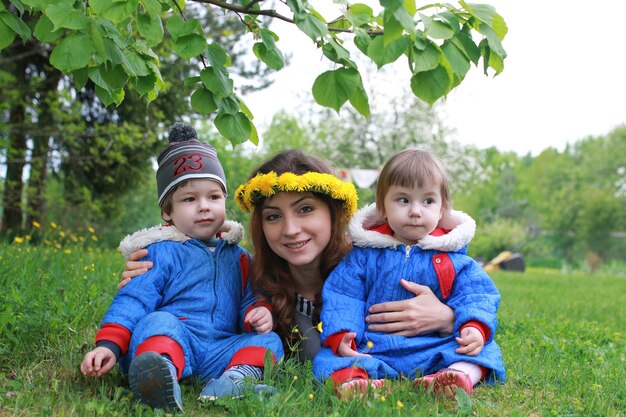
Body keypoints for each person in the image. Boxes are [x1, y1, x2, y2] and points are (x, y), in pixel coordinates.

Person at [120, 150, 458, 363]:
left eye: (306, 209)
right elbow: (192, 293)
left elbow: (471, 299)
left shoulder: (377, 266)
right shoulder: (248, 277)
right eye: (273, 216)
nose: (291, 229)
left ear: (333, 213)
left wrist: (446, 318)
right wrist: (148, 275)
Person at [80, 123, 283, 412]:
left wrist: (256, 313)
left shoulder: (239, 257)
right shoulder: (160, 253)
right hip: (175, 339)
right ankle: (160, 374)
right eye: (189, 199)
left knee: (269, 341)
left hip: (218, 349)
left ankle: (233, 380)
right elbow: (134, 299)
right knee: (158, 321)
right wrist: (109, 345)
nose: (204, 206)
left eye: (213, 197)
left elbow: (249, 299)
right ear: (167, 212)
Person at [312, 148, 506, 398]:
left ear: (442, 208)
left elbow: (477, 294)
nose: (416, 211)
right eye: (403, 200)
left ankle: (455, 377)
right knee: (329, 357)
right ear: (382, 207)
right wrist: (343, 334)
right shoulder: (363, 256)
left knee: (483, 350)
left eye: (427, 201)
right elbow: (343, 295)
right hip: (373, 345)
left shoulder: (452, 258)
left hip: (433, 345)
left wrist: (474, 326)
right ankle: (357, 383)